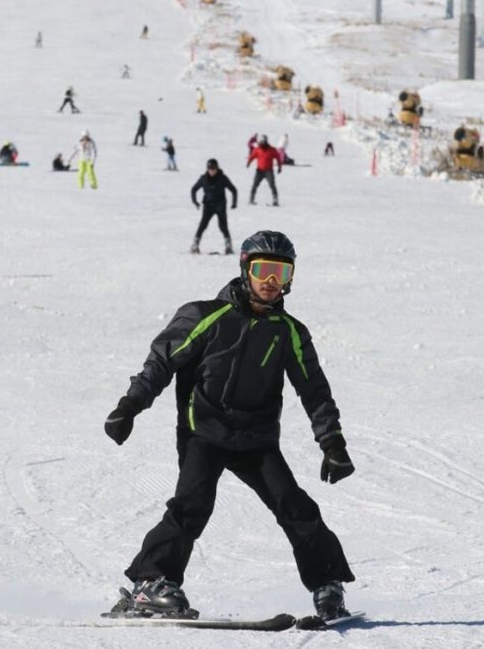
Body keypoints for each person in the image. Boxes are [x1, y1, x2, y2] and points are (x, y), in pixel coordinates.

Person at [103, 230, 356, 621]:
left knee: (296, 506)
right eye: (263, 270)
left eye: (281, 272)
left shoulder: (289, 332)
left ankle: (327, 585)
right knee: (193, 504)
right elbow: (161, 363)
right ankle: (150, 583)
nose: (271, 282)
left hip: (256, 439)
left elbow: (315, 391)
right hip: (203, 431)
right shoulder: (205, 316)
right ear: (244, 269)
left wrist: (333, 444)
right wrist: (130, 405)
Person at [189, 158, 237, 254]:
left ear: (217, 168)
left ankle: (228, 246)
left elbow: (233, 190)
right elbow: (194, 189)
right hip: (208, 206)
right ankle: (195, 245)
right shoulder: (204, 178)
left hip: (220, 206)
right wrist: (195, 202)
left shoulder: (223, 178)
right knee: (202, 225)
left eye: (214, 168)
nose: (212, 170)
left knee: (223, 226)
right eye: (210, 168)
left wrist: (234, 203)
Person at [246, 135, 281, 206]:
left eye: (263, 142)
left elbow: (278, 157)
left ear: (266, 141)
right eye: (260, 142)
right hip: (259, 171)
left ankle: (275, 200)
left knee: (272, 185)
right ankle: (251, 199)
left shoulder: (272, 150)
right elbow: (252, 156)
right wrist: (248, 163)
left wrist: (279, 167)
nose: (261, 143)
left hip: (269, 171)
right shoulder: (257, 149)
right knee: (255, 184)